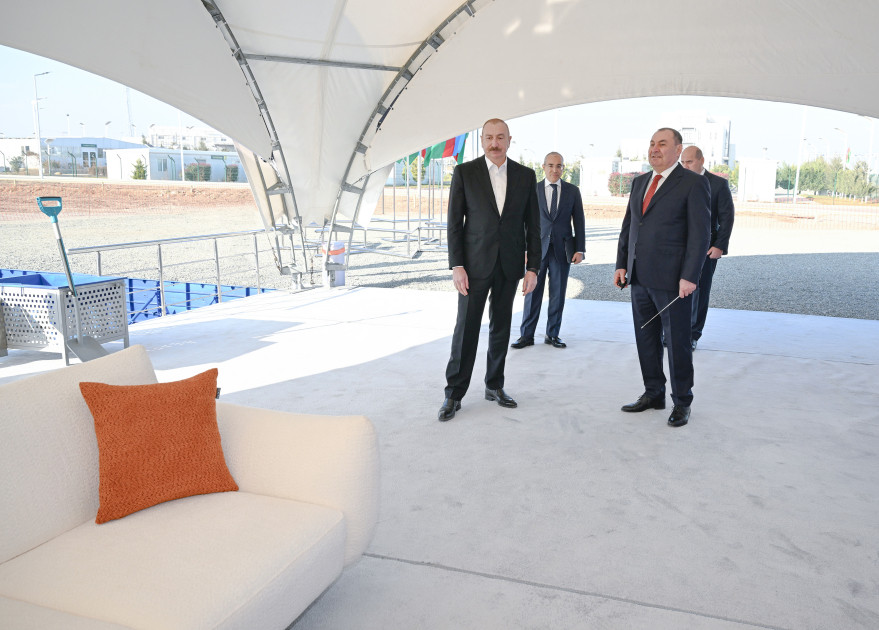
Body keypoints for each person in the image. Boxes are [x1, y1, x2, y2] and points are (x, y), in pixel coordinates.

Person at [438, 118, 542, 422]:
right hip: (473, 266)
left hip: (509, 265)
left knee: (501, 327)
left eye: (500, 137)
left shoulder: (525, 176)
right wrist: (457, 265)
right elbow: (454, 223)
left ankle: (494, 385)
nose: (494, 143)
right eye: (489, 138)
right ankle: (453, 393)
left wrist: (533, 267)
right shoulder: (465, 172)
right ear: (482, 140)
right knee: (466, 329)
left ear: (509, 140)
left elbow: (533, 226)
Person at [614, 128, 710, 428]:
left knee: (677, 343)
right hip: (639, 277)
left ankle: (682, 401)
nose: (654, 149)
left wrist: (690, 276)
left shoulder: (693, 183)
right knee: (645, 338)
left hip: (673, 281)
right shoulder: (640, 182)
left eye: (662, 144)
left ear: (678, 150)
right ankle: (653, 393)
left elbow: (700, 234)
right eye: (652, 144)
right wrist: (621, 264)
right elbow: (630, 226)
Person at [511, 152, 585, 350]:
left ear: (563, 168)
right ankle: (526, 335)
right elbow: (522, 222)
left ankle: (553, 334)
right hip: (536, 250)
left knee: (558, 294)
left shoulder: (572, 191)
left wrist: (580, 249)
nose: (555, 169)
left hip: (562, 250)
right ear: (543, 167)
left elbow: (579, 221)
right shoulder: (532, 189)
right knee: (532, 293)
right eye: (551, 165)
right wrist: (523, 249)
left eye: (559, 166)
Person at [680, 145, 735, 350]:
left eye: (689, 162)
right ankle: (673, 333)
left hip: (706, 248)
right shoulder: (676, 182)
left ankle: (692, 335)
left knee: (699, 291)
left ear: (701, 161)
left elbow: (727, 217)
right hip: (678, 247)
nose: (685, 166)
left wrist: (719, 245)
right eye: (682, 162)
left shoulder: (718, 184)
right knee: (674, 290)